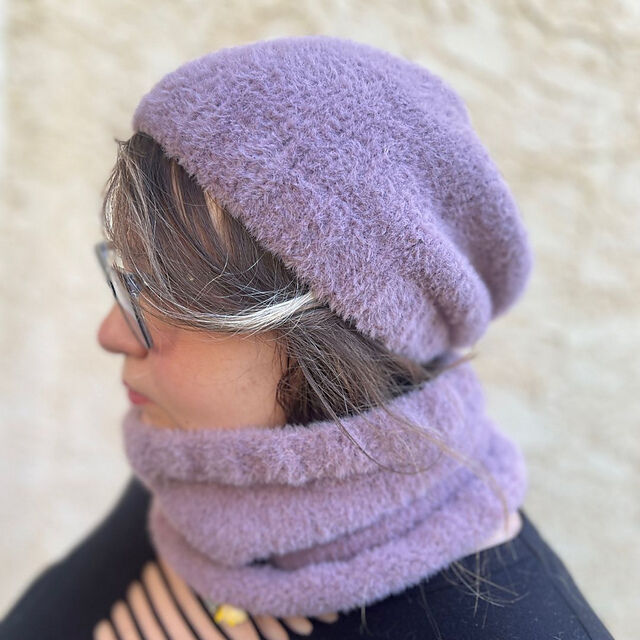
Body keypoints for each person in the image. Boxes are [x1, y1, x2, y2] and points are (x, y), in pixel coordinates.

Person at [0, 35, 614, 640]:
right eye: (128, 277)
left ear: (328, 343)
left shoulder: (508, 626)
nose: (111, 333)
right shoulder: (199, 467)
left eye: (171, 294)